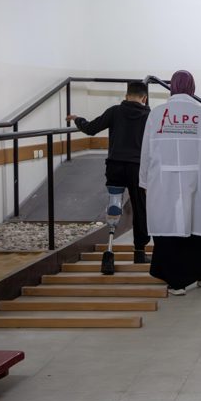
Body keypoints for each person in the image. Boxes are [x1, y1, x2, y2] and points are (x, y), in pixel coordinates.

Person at [139, 71, 201, 296]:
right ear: (192, 88)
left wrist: (144, 181)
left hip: (163, 180)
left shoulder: (156, 114)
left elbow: (146, 151)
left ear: (172, 87)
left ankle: (176, 282)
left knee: (168, 225)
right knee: (198, 223)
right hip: (198, 179)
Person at [67, 81, 151, 266]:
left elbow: (91, 129)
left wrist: (78, 119)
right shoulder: (149, 116)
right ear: (144, 98)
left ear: (126, 95)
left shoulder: (115, 111)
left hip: (115, 166)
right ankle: (139, 252)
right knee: (140, 208)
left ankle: (110, 249)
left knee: (114, 206)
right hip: (137, 168)